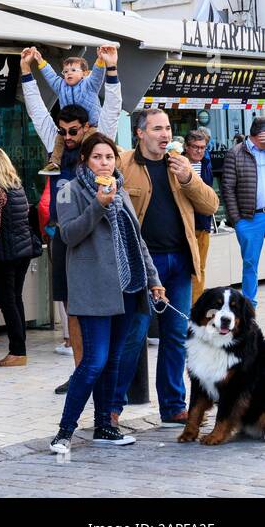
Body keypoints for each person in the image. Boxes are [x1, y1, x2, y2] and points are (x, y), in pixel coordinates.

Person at [50, 132, 167, 453]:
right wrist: (98, 206)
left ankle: (104, 426)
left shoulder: (120, 190)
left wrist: (153, 279)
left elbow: (137, 241)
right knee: (94, 361)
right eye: (98, 157)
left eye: (109, 157)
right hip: (94, 290)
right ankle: (64, 432)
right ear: (85, 160)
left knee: (113, 359)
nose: (104, 163)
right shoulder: (69, 191)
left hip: (128, 287)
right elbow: (70, 235)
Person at [21, 45, 123, 394]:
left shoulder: (97, 145)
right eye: (63, 130)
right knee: (71, 307)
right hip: (66, 234)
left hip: (102, 233)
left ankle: (101, 373)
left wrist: (111, 71)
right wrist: (26, 72)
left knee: (107, 307)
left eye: (72, 131)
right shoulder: (56, 146)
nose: (66, 136)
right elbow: (36, 112)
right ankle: (82, 370)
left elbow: (112, 109)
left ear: (86, 128)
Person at [110, 109, 219, 427]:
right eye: (157, 128)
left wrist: (188, 177)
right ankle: (113, 405)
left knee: (175, 336)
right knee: (135, 334)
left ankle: (172, 406)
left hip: (179, 261)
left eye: (168, 128)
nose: (165, 134)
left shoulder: (180, 165)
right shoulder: (124, 164)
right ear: (140, 133)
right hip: (143, 264)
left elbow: (210, 205)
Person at [0, 147, 41, 367]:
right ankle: (19, 348)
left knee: (7, 301)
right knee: (16, 299)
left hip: (5, 254)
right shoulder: (16, 187)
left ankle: (17, 351)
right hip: (22, 251)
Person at [29, 52, 107, 175]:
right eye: (65, 71)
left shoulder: (90, 85)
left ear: (85, 73)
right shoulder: (61, 86)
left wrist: (100, 60)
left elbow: (98, 75)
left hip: (90, 125)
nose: (69, 73)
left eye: (73, 70)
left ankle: (86, 165)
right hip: (68, 125)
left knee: (89, 144)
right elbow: (51, 76)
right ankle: (54, 163)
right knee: (59, 140)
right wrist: (40, 61)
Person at [221, 116, 265, 308]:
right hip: (249, 219)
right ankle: (250, 307)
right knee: (250, 265)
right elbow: (227, 188)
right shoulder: (236, 153)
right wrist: (237, 220)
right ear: (260, 134)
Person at [183, 127, 215, 304]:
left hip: (202, 224)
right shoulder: (177, 163)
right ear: (187, 147)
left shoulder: (206, 165)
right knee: (182, 269)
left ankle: (195, 307)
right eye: (195, 147)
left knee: (199, 268)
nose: (199, 151)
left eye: (202, 147)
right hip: (182, 225)